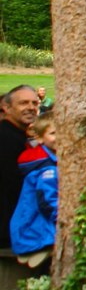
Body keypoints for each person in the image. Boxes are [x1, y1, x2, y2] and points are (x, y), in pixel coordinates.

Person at [9, 116, 58, 266]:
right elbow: (48, 201)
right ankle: (39, 247)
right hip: (36, 229)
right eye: (54, 133)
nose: (60, 137)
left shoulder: (46, 161)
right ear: (40, 138)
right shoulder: (47, 168)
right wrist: (63, 220)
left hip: (28, 227)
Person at [0, 85, 41, 247]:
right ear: (6, 108)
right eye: (24, 103)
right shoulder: (5, 138)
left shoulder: (18, 136)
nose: (31, 108)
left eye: (35, 103)